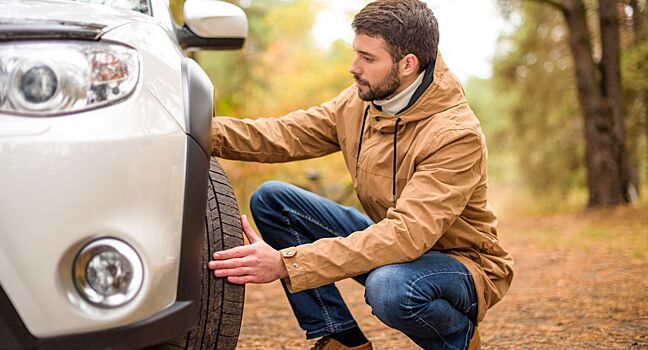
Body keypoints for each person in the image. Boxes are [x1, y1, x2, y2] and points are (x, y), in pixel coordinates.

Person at [207, 1, 514, 349]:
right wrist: (198, 131)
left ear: (408, 64)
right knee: (273, 200)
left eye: (368, 58)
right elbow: (282, 135)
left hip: (459, 265)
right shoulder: (361, 103)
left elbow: (407, 236)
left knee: (390, 287)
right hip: (395, 245)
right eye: (356, 54)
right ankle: (344, 340)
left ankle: (457, 340)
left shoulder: (455, 134)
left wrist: (286, 263)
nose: (354, 67)